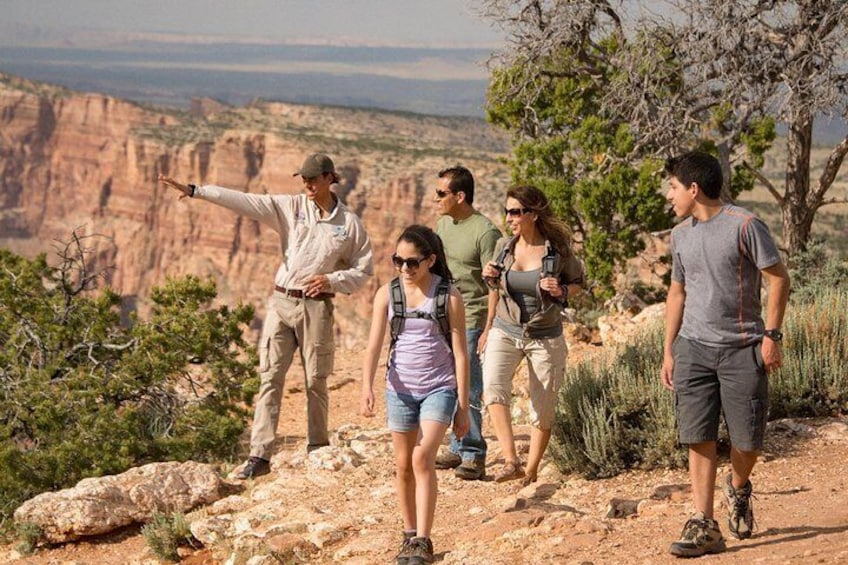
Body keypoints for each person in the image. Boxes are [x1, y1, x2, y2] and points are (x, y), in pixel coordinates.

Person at [158, 153, 373, 480]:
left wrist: (333, 280)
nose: (307, 185)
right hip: (282, 301)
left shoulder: (348, 224)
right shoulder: (291, 207)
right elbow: (243, 201)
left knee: (316, 379)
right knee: (270, 377)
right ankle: (259, 455)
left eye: (313, 179)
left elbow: (363, 270)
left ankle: (317, 445)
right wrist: (195, 190)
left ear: (330, 178)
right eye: (303, 179)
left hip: (317, 306)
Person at [661, 151, 790, 557]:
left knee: (747, 441)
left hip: (742, 348)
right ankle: (704, 523)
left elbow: (778, 278)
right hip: (693, 348)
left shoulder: (745, 225)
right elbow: (677, 292)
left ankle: (737, 487)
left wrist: (772, 335)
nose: (670, 195)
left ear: (693, 189)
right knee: (697, 436)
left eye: (674, 186)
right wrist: (668, 349)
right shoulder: (680, 234)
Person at [360, 225, 470, 565]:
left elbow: (461, 353)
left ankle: (423, 539)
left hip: (439, 387)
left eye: (413, 263)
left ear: (430, 261)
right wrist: (366, 386)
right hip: (400, 389)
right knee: (402, 465)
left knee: (422, 459)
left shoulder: (448, 296)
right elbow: (375, 344)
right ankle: (408, 535)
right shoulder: (387, 295)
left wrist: (463, 408)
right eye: (398, 261)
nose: (405, 269)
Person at [481, 185, 585, 486]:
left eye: (515, 211)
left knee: (543, 407)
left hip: (545, 336)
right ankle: (511, 460)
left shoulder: (558, 251)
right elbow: (495, 292)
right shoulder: (504, 246)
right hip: (506, 327)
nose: (509, 217)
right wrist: (488, 326)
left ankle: (531, 470)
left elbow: (578, 283)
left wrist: (562, 290)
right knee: (493, 388)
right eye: (507, 211)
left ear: (533, 214)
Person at [433, 165, 501, 480]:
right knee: (449, 383)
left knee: (469, 386)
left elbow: (493, 284)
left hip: (472, 318)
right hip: (444, 316)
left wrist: (489, 327)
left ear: (460, 196)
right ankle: (457, 446)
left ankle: (474, 454)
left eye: (441, 194)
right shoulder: (444, 224)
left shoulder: (486, 232)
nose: (436, 200)